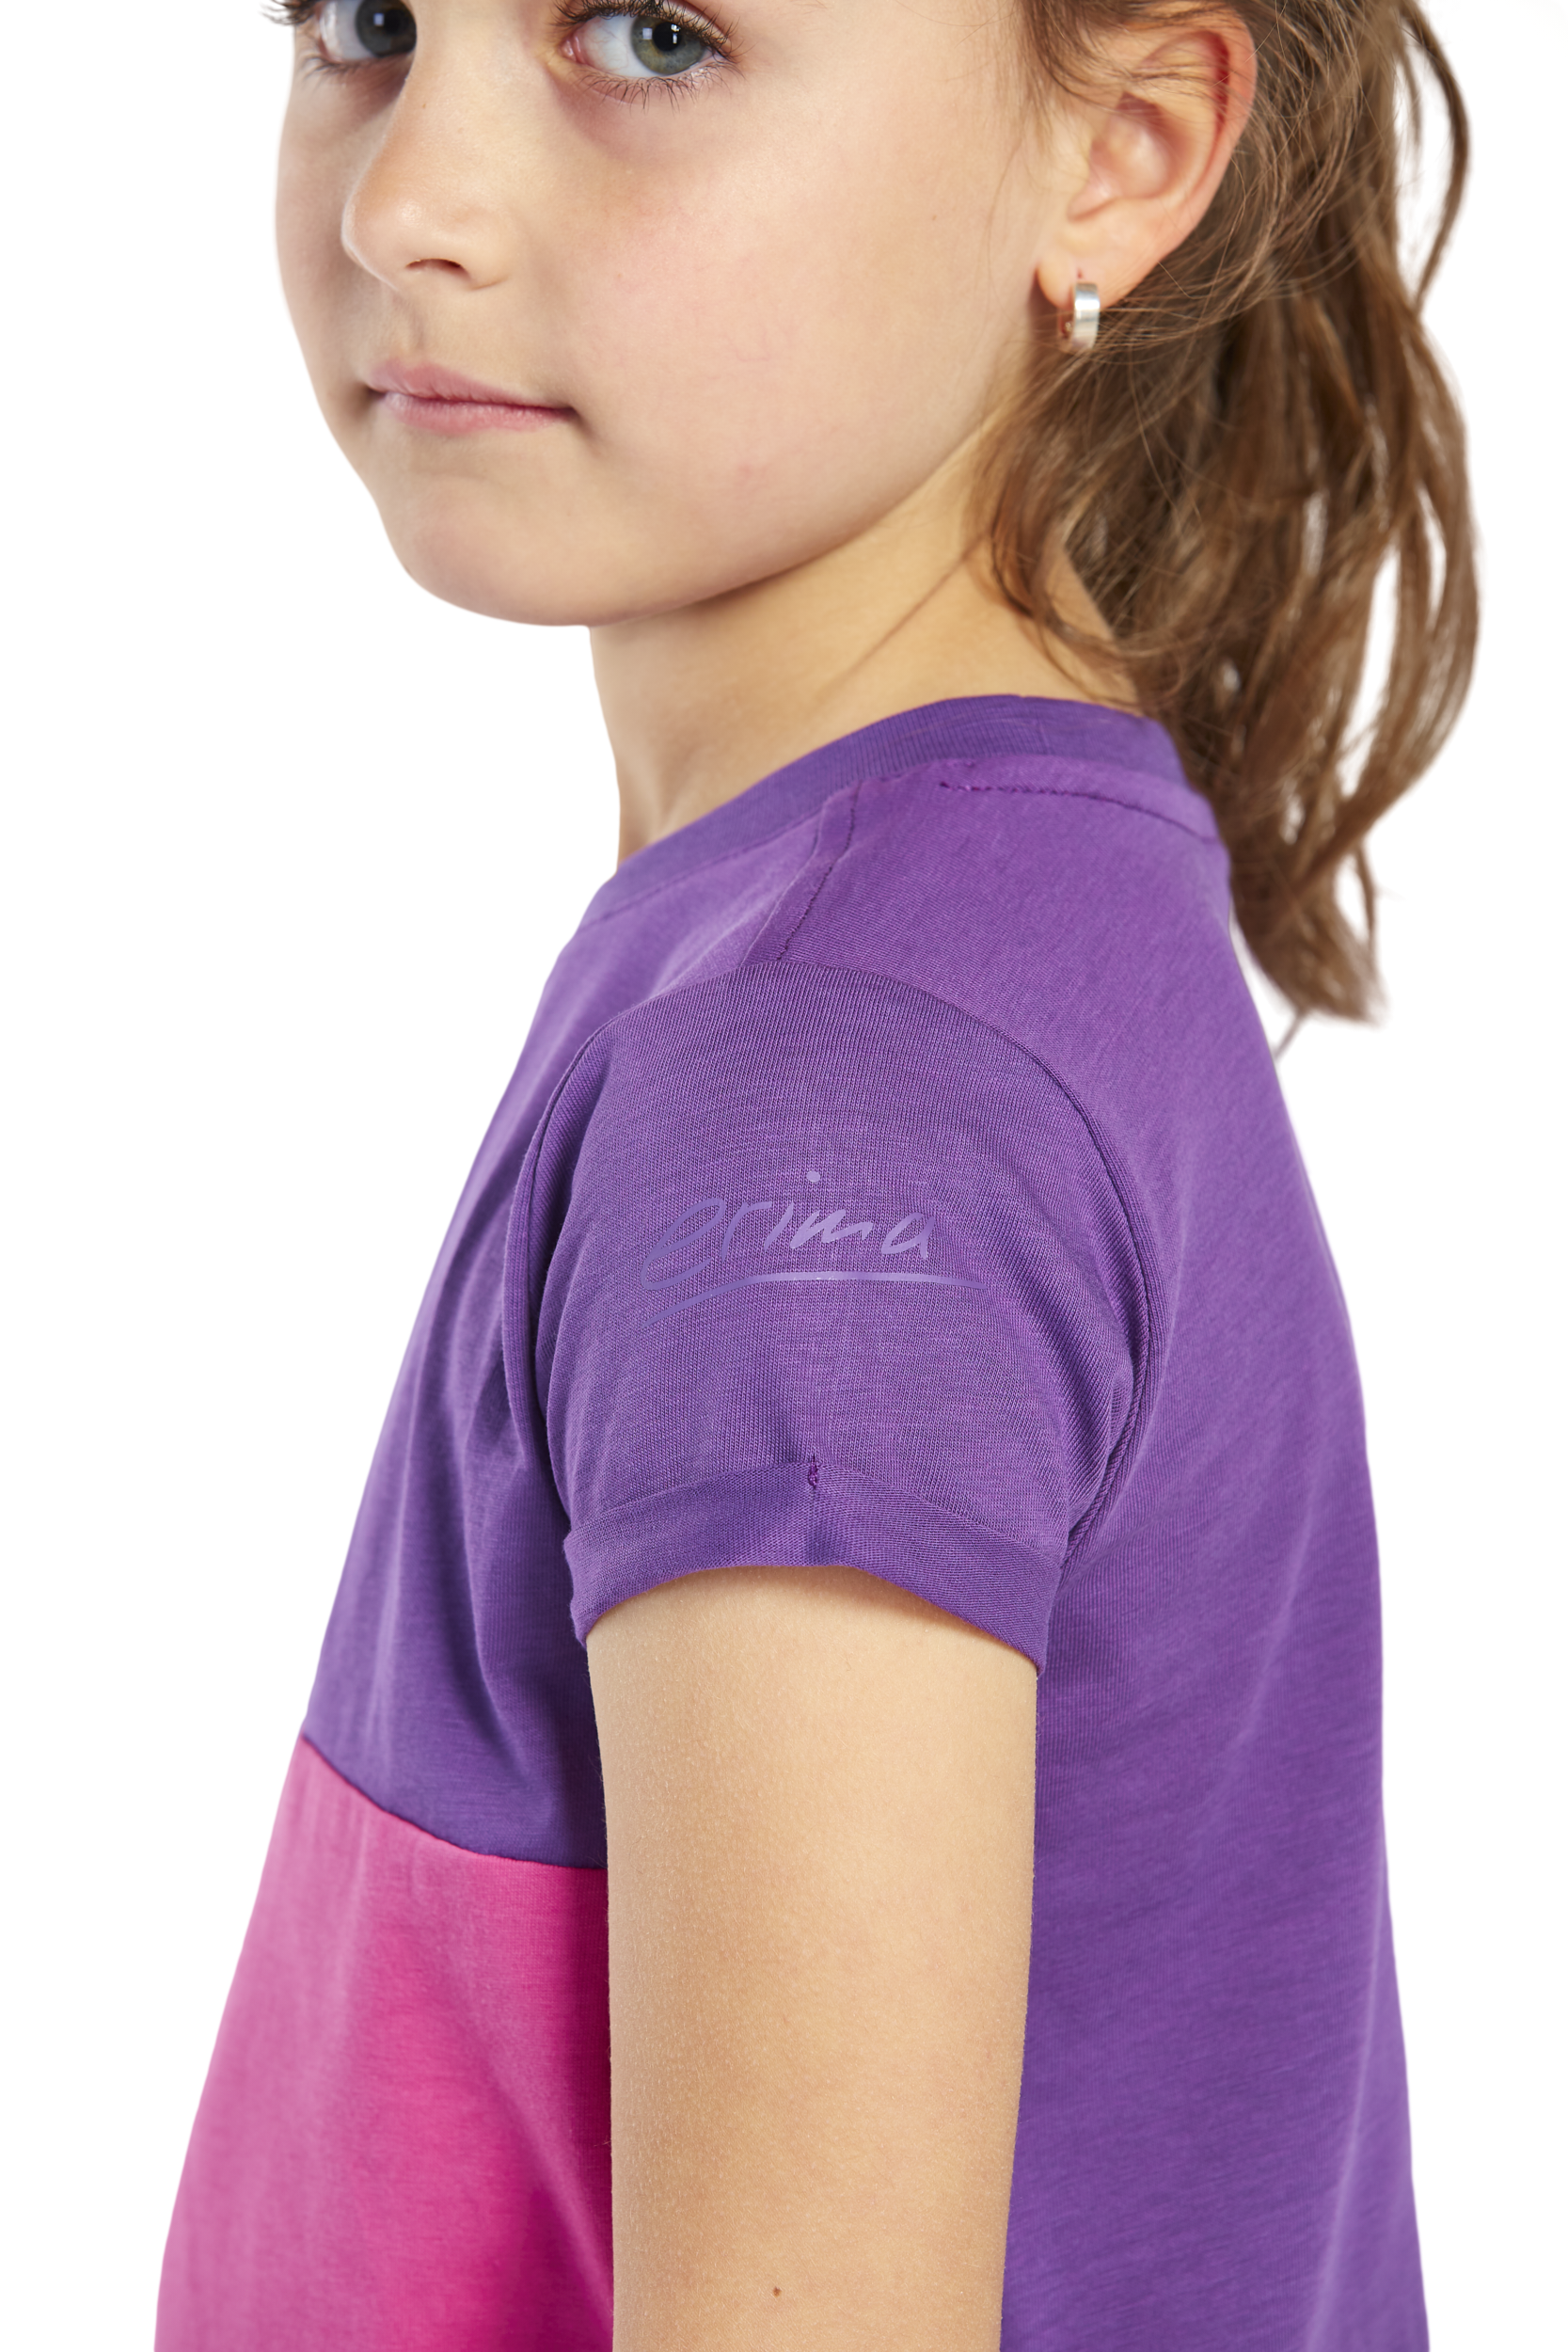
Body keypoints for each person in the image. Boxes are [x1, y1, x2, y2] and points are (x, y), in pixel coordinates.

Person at [156, 0, 1475, 2344]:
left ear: (1119, 147)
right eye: (362, 21)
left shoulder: (814, 1112)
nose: (405, 201)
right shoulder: (970, 912)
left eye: (650, 36)